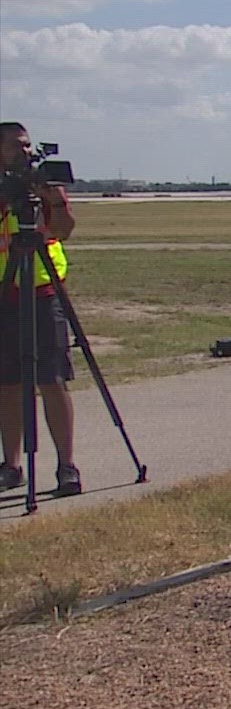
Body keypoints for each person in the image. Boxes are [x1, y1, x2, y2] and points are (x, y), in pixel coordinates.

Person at [0, 121, 81, 497]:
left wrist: (51, 198)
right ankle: (12, 465)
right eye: (17, 146)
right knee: (8, 382)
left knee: (52, 378)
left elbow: (63, 229)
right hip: (5, 292)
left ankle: (66, 466)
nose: (25, 152)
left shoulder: (42, 183)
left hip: (44, 290)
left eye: (28, 145)